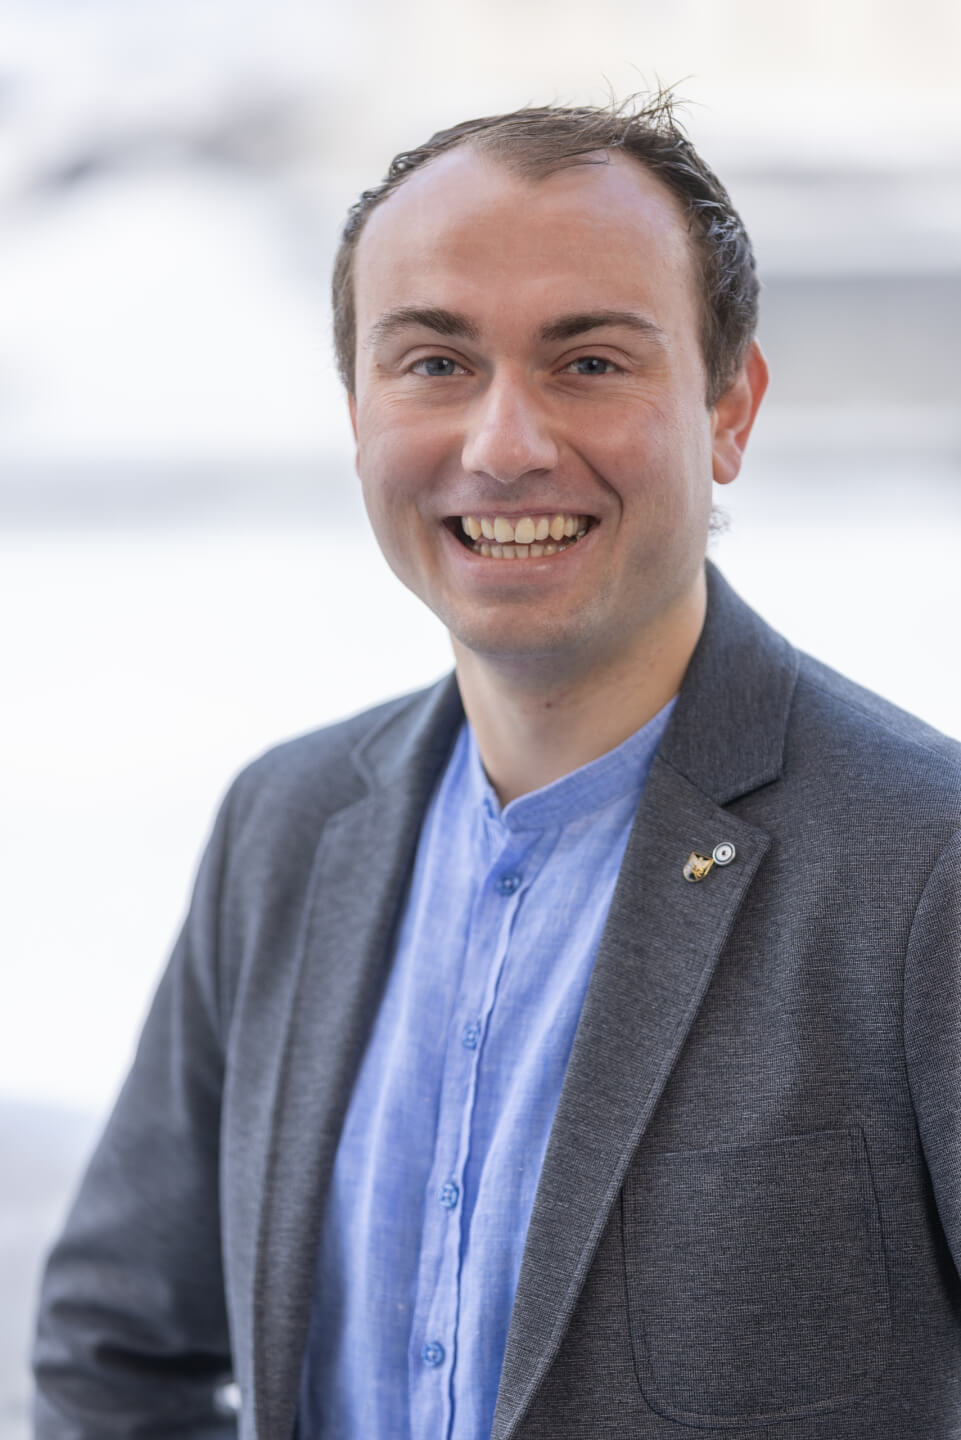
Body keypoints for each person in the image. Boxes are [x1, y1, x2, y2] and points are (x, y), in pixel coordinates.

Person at [33, 95, 961, 1440]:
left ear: (729, 409)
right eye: (434, 363)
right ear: (358, 410)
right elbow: (113, 1353)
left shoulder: (924, 865)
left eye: (588, 361)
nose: (504, 445)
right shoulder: (284, 828)